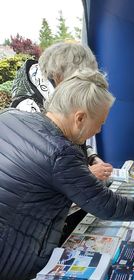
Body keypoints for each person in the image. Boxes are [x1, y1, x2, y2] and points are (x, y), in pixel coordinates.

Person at [0, 69, 134, 280]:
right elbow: (107, 205)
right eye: (100, 123)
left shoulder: (10, 117)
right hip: (12, 255)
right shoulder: (61, 153)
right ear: (80, 118)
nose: (98, 130)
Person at [11, 42, 113, 182]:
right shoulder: (27, 109)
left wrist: (91, 157)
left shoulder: (56, 93)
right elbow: (35, 173)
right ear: (59, 74)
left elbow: (73, 134)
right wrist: (85, 173)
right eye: (80, 79)